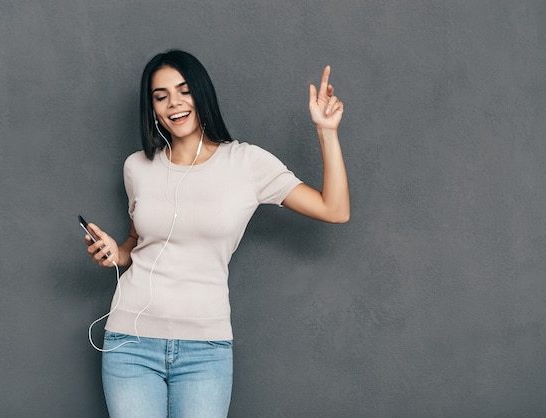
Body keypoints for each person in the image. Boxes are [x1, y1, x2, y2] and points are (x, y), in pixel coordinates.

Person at [84, 49, 349, 418]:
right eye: (161, 97)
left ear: (202, 94)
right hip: (130, 342)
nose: (174, 103)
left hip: (204, 349)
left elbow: (334, 210)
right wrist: (116, 251)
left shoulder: (247, 163)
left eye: (184, 90)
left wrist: (326, 131)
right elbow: (137, 243)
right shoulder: (137, 166)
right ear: (153, 109)